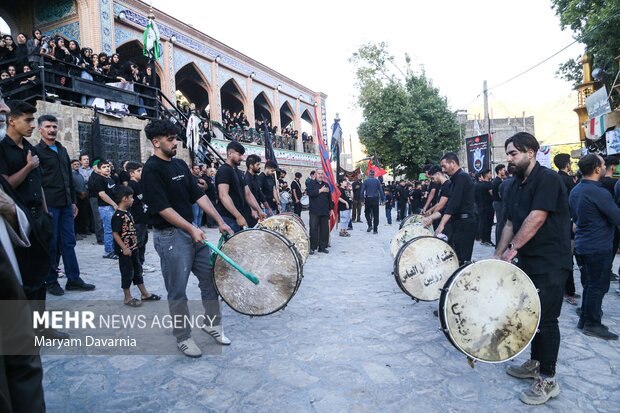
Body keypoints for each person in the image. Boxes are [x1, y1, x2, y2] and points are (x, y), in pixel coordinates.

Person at [141, 119, 234, 358]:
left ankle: (212, 323)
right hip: (171, 236)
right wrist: (190, 229)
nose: (175, 143)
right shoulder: (151, 170)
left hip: (192, 233)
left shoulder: (180, 164)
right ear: (156, 141)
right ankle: (183, 337)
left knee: (210, 278)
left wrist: (220, 221)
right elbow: (162, 209)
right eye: (170, 139)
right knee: (177, 290)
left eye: (175, 138)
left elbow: (198, 196)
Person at [495, 132, 571, 405]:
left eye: (513, 153)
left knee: (547, 320)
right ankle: (535, 363)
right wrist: (498, 256)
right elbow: (508, 223)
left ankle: (548, 379)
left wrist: (512, 249)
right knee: (532, 316)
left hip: (551, 262)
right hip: (527, 261)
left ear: (531, 152)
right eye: (508, 154)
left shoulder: (547, 179)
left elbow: (536, 217)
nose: (509, 159)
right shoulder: (514, 184)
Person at [36, 114, 95, 295]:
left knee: (69, 242)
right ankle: (51, 280)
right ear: (40, 129)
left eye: (54, 126)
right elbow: (37, 182)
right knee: (52, 244)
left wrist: (73, 202)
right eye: (48, 127)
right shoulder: (36, 151)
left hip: (66, 204)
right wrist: (43, 208)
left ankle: (73, 279)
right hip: (50, 205)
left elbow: (69, 178)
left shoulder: (61, 150)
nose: (52, 130)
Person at [569, 154, 619, 340]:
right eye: (604, 164)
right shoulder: (599, 192)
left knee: (590, 285)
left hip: (583, 244)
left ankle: (585, 318)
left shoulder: (576, 190)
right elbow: (616, 217)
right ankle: (592, 323)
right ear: (598, 169)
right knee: (597, 286)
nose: (606, 167)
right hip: (597, 246)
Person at [111, 185, 160, 307]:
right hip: (125, 251)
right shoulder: (118, 216)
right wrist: (124, 247)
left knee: (138, 270)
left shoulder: (127, 212)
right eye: (131, 197)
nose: (133, 199)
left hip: (133, 248)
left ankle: (144, 294)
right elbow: (115, 233)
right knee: (127, 273)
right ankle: (127, 297)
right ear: (124, 198)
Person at [434, 153, 475, 265]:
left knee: (461, 259)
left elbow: (454, 204)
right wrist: (431, 217)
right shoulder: (455, 179)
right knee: (455, 256)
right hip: (457, 222)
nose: (443, 169)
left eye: (444, 166)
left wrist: (442, 224)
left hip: (465, 223)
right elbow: (448, 206)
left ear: (452, 163)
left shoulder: (462, 177)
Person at [216, 142, 265, 233]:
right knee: (232, 246)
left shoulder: (238, 172)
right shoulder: (224, 170)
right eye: (239, 154)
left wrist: (259, 210)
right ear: (230, 154)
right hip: (229, 218)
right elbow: (223, 195)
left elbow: (248, 194)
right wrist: (238, 216)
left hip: (240, 216)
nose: (242, 158)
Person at [553, 153, 579, 306]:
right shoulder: (568, 181)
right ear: (567, 164)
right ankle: (568, 290)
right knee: (568, 257)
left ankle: (566, 290)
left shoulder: (556, 178)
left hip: (559, 223)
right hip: (568, 223)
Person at [125, 161, 154, 273]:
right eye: (139, 171)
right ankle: (137, 266)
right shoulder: (133, 185)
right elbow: (142, 199)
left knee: (143, 241)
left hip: (142, 217)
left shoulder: (139, 183)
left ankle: (140, 263)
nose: (141, 173)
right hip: (137, 218)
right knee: (138, 243)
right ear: (132, 173)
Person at [89, 159, 118, 259]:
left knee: (114, 230)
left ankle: (114, 250)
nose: (107, 169)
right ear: (99, 169)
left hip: (112, 207)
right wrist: (114, 204)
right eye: (104, 167)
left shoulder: (110, 179)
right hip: (105, 208)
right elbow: (102, 194)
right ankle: (108, 251)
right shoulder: (99, 179)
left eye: (108, 166)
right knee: (109, 230)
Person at [422, 165, 452, 237]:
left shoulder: (447, 185)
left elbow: (441, 204)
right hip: (441, 215)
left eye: (433, 178)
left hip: (447, 219)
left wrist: (431, 218)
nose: (433, 181)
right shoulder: (442, 186)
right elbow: (438, 203)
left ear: (438, 174)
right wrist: (429, 210)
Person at [307, 170, 332, 254]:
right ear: (315, 175)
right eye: (319, 174)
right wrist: (320, 191)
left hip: (324, 211)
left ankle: (322, 247)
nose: (320, 175)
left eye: (322, 174)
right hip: (314, 211)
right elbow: (310, 193)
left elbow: (329, 198)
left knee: (324, 230)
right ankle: (312, 247)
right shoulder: (311, 183)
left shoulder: (326, 184)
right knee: (313, 229)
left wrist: (331, 209)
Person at [243, 154, 267, 228]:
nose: (260, 167)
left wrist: (268, 209)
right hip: (250, 212)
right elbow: (247, 196)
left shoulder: (256, 177)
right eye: (258, 164)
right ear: (251, 166)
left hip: (257, 209)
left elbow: (260, 194)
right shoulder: (246, 178)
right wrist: (253, 210)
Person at [474, 168, 494, 246]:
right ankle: (487, 239)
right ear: (487, 175)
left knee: (481, 223)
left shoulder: (476, 185)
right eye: (490, 173)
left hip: (479, 206)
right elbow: (492, 194)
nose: (491, 175)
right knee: (488, 224)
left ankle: (482, 238)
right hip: (488, 207)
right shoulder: (488, 184)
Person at [71, 159, 89, 237]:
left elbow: (83, 185)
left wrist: (84, 192)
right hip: (76, 198)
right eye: (75, 164)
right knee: (76, 216)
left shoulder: (80, 174)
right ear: (71, 165)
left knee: (83, 215)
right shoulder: (71, 175)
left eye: (78, 164)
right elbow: (73, 187)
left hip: (83, 197)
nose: (77, 166)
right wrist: (79, 192)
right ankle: (76, 233)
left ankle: (82, 231)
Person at [491, 164, 506, 244]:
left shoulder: (497, 180)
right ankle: (499, 242)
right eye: (503, 170)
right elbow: (500, 194)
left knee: (500, 223)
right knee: (500, 223)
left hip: (496, 203)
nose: (505, 171)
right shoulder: (498, 181)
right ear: (499, 171)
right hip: (498, 203)